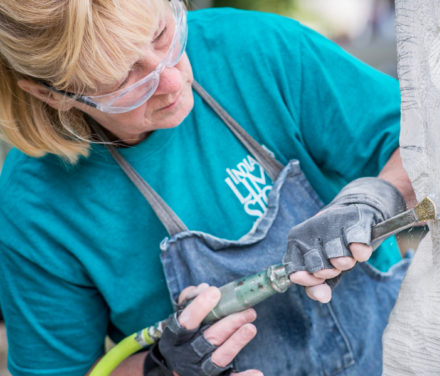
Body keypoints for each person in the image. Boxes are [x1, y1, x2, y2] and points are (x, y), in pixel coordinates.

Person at [0, 1, 417, 375]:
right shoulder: (35, 200)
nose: (171, 81)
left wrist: (376, 198)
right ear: (52, 94)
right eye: (126, 77)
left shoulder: (254, 49)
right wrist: (161, 368)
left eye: (163, 36)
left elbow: (431, 145)